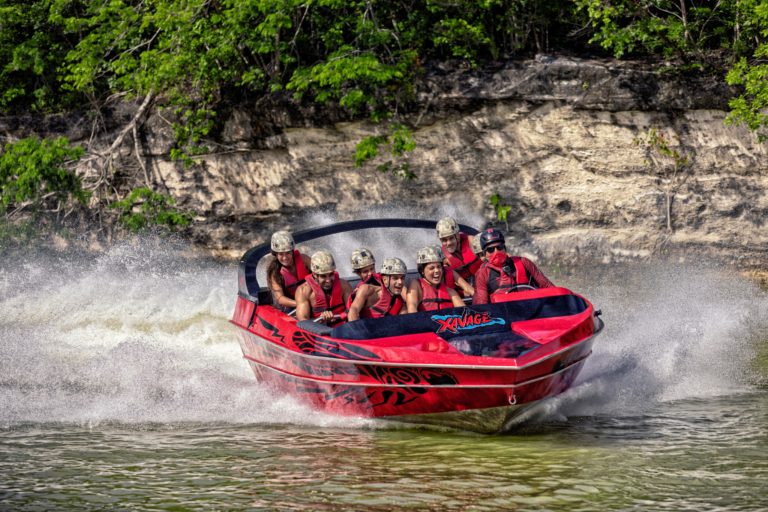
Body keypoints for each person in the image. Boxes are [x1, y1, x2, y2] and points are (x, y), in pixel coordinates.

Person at [472, 229, 554, 305]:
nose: (496, 252)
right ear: (485, 254)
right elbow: (481, 305)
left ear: (505, 248)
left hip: (533, 309)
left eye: (499, 247)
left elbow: (548, 287)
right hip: (504, 317)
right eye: (490, 250)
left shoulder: (524, 262)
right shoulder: (482, 274)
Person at [295, 250, 353, 324]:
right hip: (318, 329)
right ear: (315, 274)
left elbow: (353, 310)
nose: (328, 280)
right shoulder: (303, 291)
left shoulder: (344, 286)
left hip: (343, 327)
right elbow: (303, 321)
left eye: (331, 274)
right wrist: (321, 320)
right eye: (323, 276)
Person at [406, 245, 465, 312]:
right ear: (422, 271)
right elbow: (412, 307)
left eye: (439, 267)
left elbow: (464, 312)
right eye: (432, 268)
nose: (437, 271)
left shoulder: (450, 292)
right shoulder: (416, 285)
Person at [266, 230, 312, 311]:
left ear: (292, 252)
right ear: (276, 254)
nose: (285, 258)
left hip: (311, 297)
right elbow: (280, 298)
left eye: (288, 253)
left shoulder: (304, 259)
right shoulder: (274, 272)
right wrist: (300, 303)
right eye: (281, 254)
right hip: (291, 305)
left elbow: (322, 274)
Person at [437, 216, 483, 281]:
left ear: (458, 235)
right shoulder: (442, 258)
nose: (448, 243)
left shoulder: (472, 241)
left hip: (484, 280)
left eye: (451, 238)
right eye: (444, 240)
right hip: (465, 288)